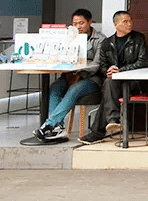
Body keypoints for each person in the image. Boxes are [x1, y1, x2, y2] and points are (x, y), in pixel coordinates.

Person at [32, 8, 106, 141]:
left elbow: (97, 64)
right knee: (55, 87)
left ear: (89, 22)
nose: (78, 27)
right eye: (75, 23)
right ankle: (58, 127)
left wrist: (79, 74)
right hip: (68, 75)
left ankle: (49, 125)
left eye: (81, 23)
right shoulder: (68, 38)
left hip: (91, 78)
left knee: (74, 89)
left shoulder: (100, 39)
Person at [79, 10, 148, 144]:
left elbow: (143, 62)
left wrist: (120, 70)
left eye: (130, 21)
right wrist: (109, 71)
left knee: (109, 89)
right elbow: (102, 66)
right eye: (125, 21)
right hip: (114, 83)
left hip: (133, 82)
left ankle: (106, 125)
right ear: (115, 24)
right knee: (110, 85)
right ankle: (109, 123)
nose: (129, 24)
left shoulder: (138, 39)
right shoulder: (106, 43)